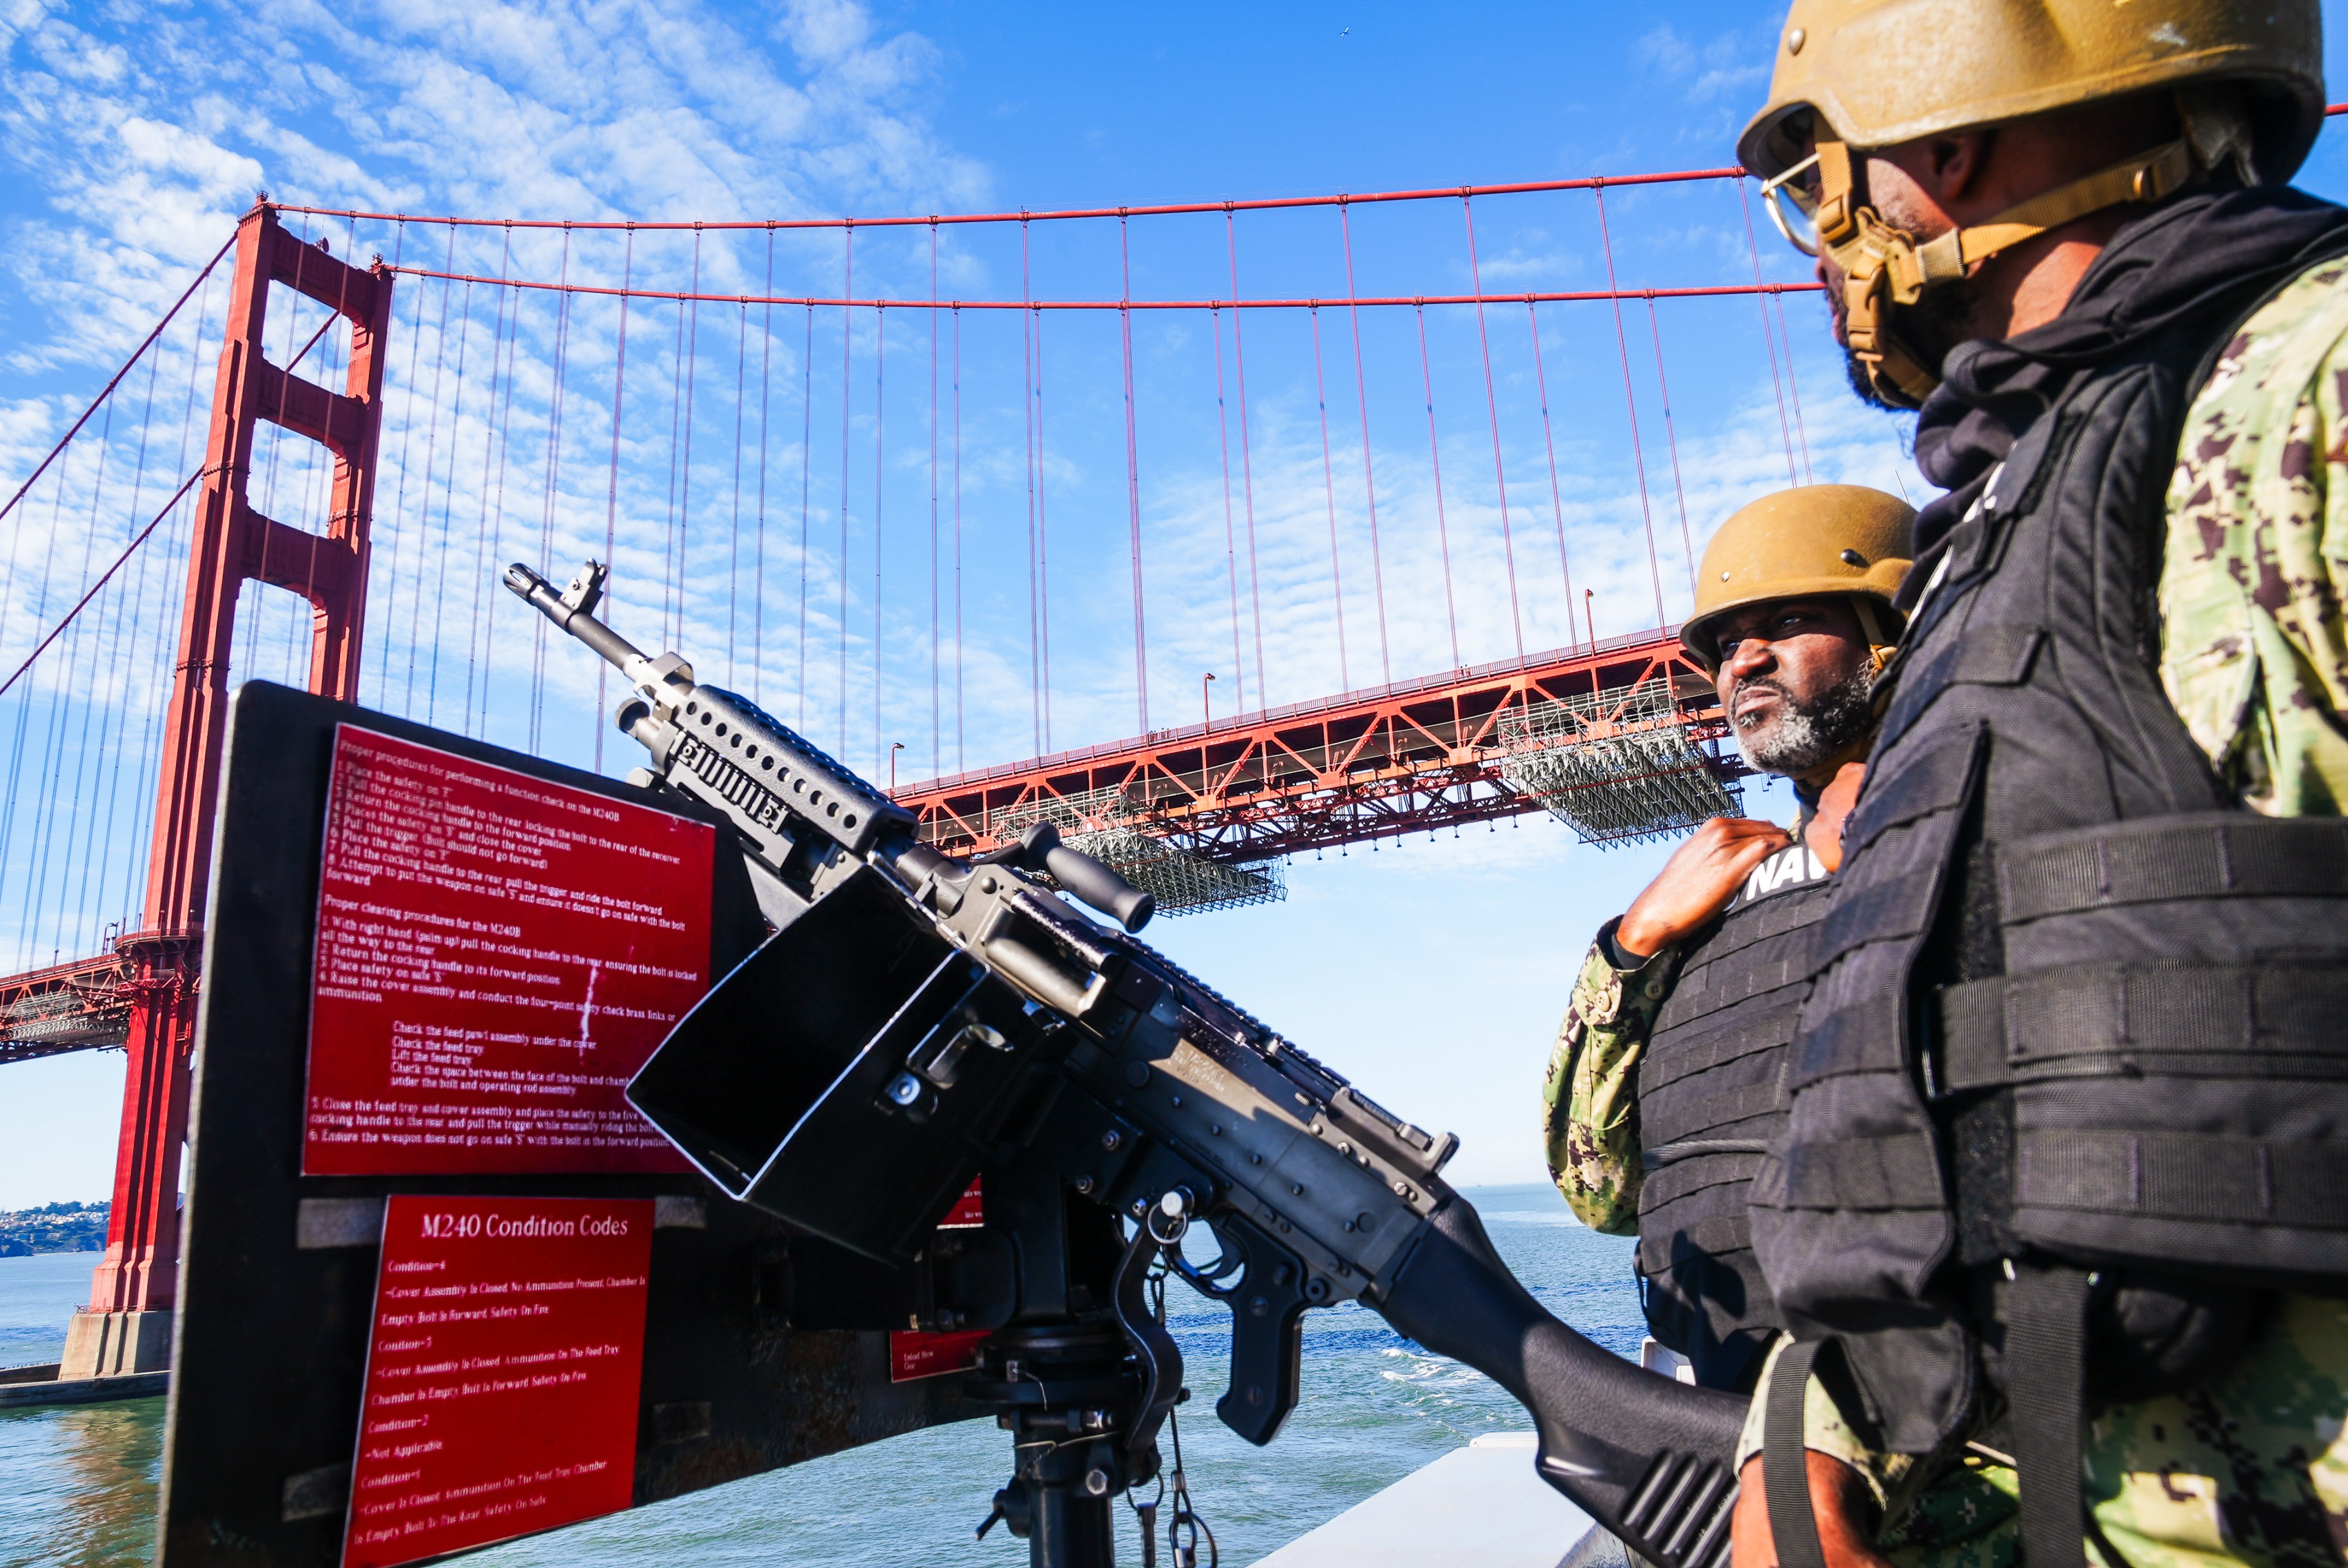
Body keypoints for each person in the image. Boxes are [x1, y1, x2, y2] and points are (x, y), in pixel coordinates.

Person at [1724, 8, 2348, 1568]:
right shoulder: (1999, 533)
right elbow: (1948, 1066)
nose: (1825, 245)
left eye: (1824, 182)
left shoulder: (2310, 391)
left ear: (1939, 135)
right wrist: (1804, 1445)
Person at [1545, 483, 1913, 1394]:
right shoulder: (1711, 908)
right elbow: (1600, 1191)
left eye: (1787, 620)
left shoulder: (2008, 827)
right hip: (1744, 1418)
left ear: (1892, 636)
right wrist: (1631, 950)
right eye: (1723, 645)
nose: (1744, 659)